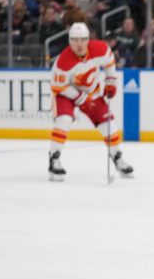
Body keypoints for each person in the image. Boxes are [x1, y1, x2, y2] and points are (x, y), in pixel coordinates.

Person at [49, 22, 133, 181]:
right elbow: (58, 86)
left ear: (88, 39)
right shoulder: (63, 62)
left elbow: (110, 64)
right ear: (69, 41)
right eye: (75, 40)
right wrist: (80, 98)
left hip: (91, 92)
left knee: (108, 124)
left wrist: (110, 82)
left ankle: (117, 157)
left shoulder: (100, 49)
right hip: (65, 94)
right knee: (64, 121)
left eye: (82, 40)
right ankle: (54, 159)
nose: (79, 44)